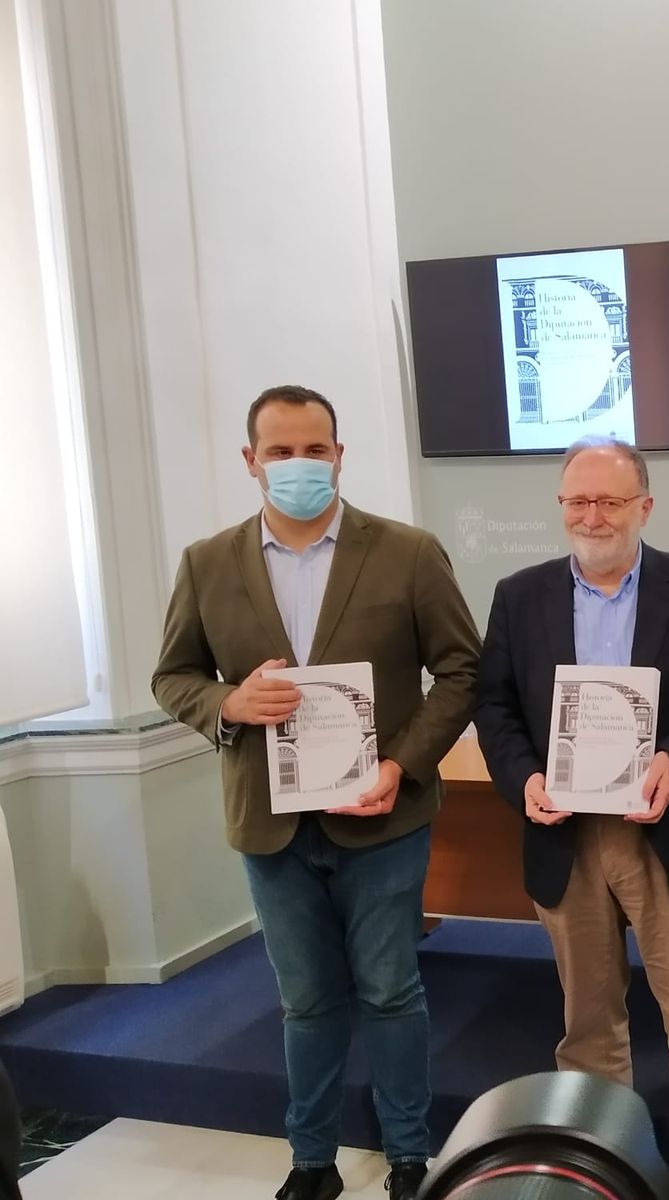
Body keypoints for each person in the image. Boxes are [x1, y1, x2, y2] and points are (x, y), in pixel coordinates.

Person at [151, 386, 481, 1200]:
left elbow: (462, 670)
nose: (299, 465)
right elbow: (172, 676)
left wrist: (402, 766)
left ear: (339, 455)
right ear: (250, 461)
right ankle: (311, 1161)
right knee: (305, 1002)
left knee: (392, 989)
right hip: (270, 823)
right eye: (280, 451)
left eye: (314, 449)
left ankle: (410, 1155)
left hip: (383, 815)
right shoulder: (207, 561)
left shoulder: (406, 551)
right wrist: (226, 704)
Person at [473, 438, 669, 1200]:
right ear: (561, 506)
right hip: (567, 836)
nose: (592, 515)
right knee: (588, 1025)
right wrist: (523, 777)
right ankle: (600, 1164)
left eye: (610, 500)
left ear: (645, 507)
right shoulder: (518, 595)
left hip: (667, 829)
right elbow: (494, 706)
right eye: (577, 500)